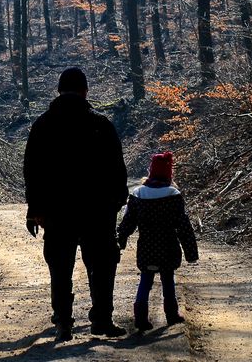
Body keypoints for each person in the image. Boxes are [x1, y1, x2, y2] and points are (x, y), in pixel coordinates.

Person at [23, 66, 128, 342]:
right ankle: (102, 320)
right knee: (103, 265)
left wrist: (34, 210)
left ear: (58, 90)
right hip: (97, 211)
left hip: (57, 212)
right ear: (85, 91)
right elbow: (118, 168)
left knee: (60, 268)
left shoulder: (43, 126)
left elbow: (32, 171)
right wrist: (118, 201)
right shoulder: (101, 124)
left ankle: (64, 323)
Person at [117, 150, 198, 332]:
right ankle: (171, 315)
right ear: (169, 173)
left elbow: (128, 223)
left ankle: (140, 317)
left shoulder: (138, 194)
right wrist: (191, 253)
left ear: (151, 171)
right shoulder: (173, 195)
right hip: (168, 247)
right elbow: (183, 226)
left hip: (146, 247)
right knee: (168, 280)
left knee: (145, 281)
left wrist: (120, 241)